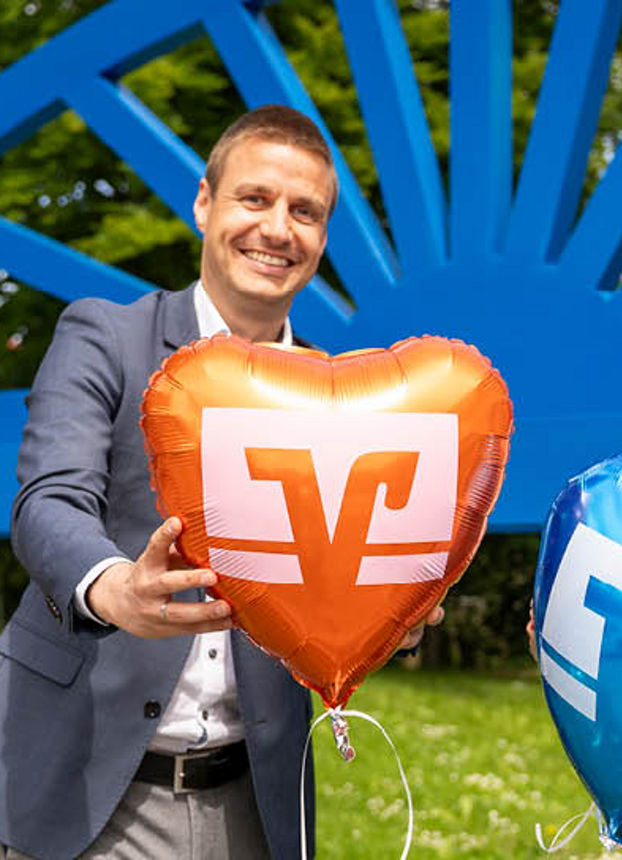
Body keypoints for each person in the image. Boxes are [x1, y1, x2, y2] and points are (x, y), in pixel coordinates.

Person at [0, 105, 436, 860]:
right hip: (82, 783)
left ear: (323, 237)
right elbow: (49, 501)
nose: (278, 228)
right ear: (205, 203)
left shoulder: (344, 400)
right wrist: (112, 589)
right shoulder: (104, 333)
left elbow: (341, 584)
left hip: (255, 802)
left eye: (306, 212)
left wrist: (387, 616)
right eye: (255, 199)